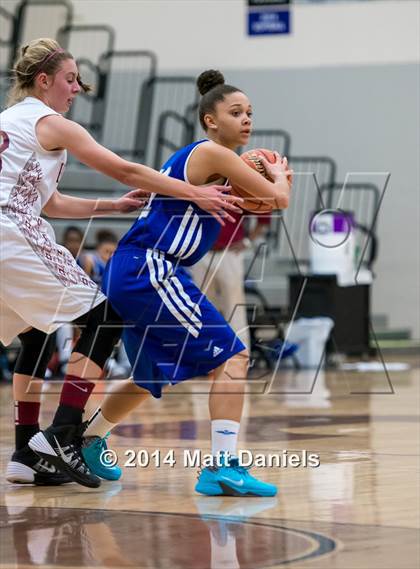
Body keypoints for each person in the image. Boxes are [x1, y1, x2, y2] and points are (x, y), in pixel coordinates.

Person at [1, 39, 241, 488]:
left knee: (34, 334)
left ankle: (24, 449)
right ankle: (65, 433)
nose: (76, 89)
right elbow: (126, 169)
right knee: (104, 317)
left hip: (11, 229)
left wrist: (113, 205)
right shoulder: (49, 122)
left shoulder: (9, 122)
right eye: (70, 80)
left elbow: (50, 202)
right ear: (44, 80)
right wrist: (193, 192)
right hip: (10, 232)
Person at [64, 69, 293, 496]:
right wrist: (279, 177)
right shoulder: (213, 152)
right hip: (150, 267)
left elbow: (254, 202)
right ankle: (221, 467)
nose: (247, 120)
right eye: (236, 112)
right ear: (210, 119)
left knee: (148, 375)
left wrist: (259, 191)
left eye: (250, 113)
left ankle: (88, 441)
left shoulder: (211, 163)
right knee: (233, 359)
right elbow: (277, 200)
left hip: (135, 269)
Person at [191, 210, 272, 350]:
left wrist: (247, 241)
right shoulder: (197, 188)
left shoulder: (240, 188)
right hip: (201, 252)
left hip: (229, 253)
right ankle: (204, 354)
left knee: (234, 306)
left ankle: (240, 355)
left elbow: (264, 217)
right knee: (200, 307)